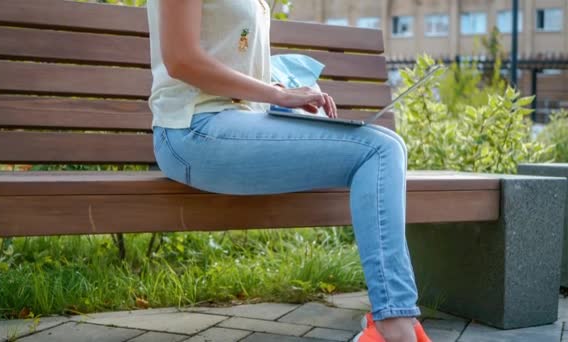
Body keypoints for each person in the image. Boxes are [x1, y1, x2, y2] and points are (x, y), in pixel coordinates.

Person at [146, 1, 431, 341]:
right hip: (192, 131)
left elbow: (230, 56)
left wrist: (292, 96)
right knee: (378, 150)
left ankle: (395, 324)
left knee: (386, 145)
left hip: (236, 126)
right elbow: (181, 60)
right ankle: (395, 327)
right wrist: (279, 95)